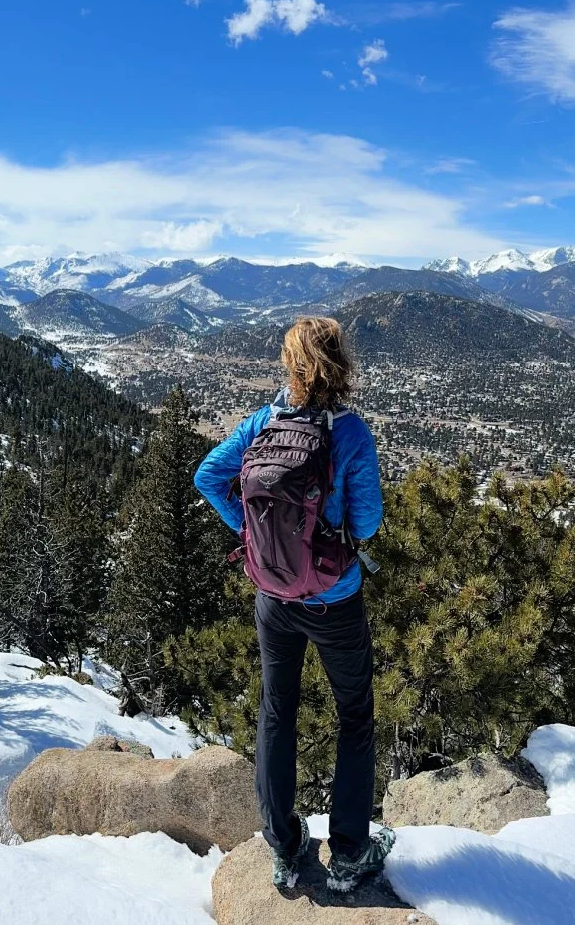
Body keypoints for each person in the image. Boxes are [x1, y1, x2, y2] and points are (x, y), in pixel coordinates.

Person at [194, 316, 393, 892]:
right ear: (340, 363)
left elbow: (209, 477)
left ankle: (284, 845)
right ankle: (352, 851)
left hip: (272, 597)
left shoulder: (263, 421)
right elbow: (369, 522)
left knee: (277, 711)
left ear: (290, 364)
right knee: (353, 717)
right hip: (334, 599)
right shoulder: (350, 433)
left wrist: (249, 536)